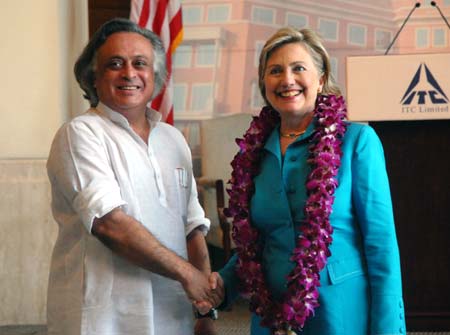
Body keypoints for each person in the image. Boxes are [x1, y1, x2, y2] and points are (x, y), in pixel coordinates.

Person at [206, 27, 407, 334]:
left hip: (340, 313)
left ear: (321, 77)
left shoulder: (357, 142)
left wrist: (389, 329)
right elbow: (255, 243)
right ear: (264, 83)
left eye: (299, 68)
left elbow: (382, 248)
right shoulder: (254, 153)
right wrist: (223, 283)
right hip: (270, 316)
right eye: (275, 71)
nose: (287, 80)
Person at [46, 18, 220, 335]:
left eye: (140, 63)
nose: (129, 73)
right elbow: (110, 225)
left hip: (173, 314)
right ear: (93, 77)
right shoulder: (80, 134)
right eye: (115, 64)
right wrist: (188, 276)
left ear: (155, 76)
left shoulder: (173, 139)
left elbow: (192, 226)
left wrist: (205, 307)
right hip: (105, 318)